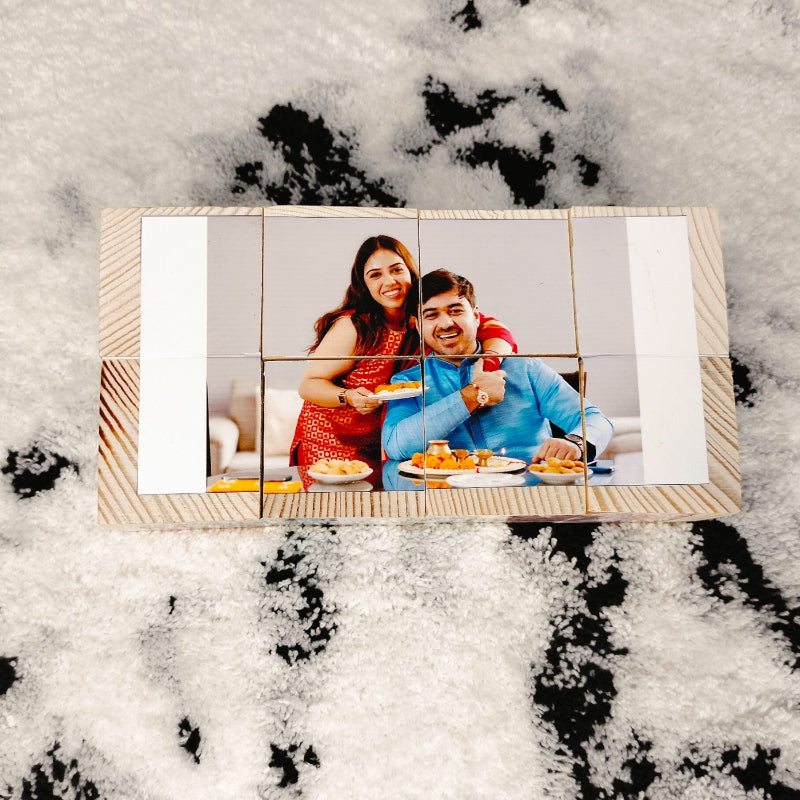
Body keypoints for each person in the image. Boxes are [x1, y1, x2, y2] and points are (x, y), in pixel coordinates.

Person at [289, 237, 519, 487]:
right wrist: (349, 396)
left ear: (410, 272)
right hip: (329, 439)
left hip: (382, 441)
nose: (389, 281)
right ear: (364, 284)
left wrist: (487, 369)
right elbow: (308, 385)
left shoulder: (426, 314)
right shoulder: (354, 326)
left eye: (397, 269)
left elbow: (497, 330)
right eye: (375, 275)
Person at [382, 269, 613, 464]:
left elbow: (594, 419)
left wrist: (576, 443)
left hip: (529, 495)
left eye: (455, 310)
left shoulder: (525, 368)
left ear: (476, 316)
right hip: (449, 501)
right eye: (431, 315)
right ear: (417, 325)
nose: (445, 323)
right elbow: (395, 444)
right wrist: (470, 397)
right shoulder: (406, 383)